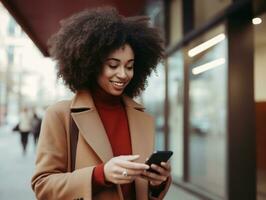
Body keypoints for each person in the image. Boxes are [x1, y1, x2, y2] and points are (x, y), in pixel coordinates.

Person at [31, 7, 171, 200]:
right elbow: (43, 186)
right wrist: (101, 174)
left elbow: (142, 191)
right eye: (113, 65)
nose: (123, 74)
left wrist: (158, 183)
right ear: (91, 63)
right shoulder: (60, 114)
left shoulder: (141, 116)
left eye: (129, 66)